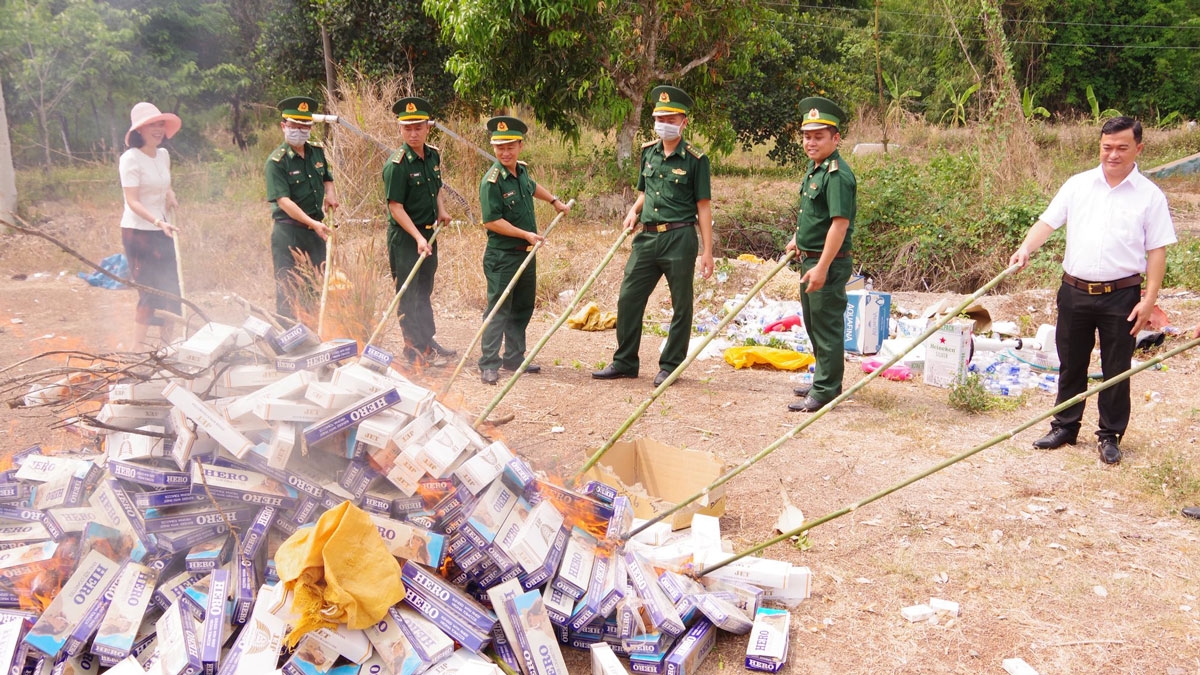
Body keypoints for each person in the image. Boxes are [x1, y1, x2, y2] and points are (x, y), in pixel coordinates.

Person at [1010, 116, 1175, 465]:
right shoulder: (1078, 185)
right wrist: (1026, 248)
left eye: (1121, 148)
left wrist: (1150, 300)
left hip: (1122, 295)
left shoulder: (1150, 196)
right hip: (1074, 291)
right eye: (1106, 147)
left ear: (1138, 149)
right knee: (1071, 361)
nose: (1113, 155)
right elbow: (1048, 221)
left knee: (1116, 366)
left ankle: (1109, 435)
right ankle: (1065, 425)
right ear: (1099, 146)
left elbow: (1157, 250)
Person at [592, 85, 714, 387]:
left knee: (681, 304)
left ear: (683, 122)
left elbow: (704, 208)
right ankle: (624, 362)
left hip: (680, 238)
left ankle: (670, 365)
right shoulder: (649, 152)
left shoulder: (696, 159)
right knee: (628, 298)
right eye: (659, 117)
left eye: (670, 118)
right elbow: (646, 191)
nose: (664, 123)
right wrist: (634, 210)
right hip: (646, 238)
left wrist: (707, 251)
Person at [477, 116, 570, 385]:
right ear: (493, 148)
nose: (504, 153)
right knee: (498, 309)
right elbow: (491, 221)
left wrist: (554, 201)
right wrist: (524, 233)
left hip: (526, 254)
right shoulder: (491, 181)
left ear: (520, 145)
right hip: (503, 256)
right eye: (499, 148)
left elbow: (531, 188)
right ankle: (489, 363)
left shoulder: (521, 171)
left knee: (522, 306)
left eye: (510, 147)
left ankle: (514, 357)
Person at [785, 97, 856, 413]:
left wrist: (823, 266)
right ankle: (822, 380)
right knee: (814, 324)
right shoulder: (816, 170)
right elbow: (815, 216)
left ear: (835, 138)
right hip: (809, 258)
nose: (810, 142)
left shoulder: (838, 174)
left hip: (828, 261)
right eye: (806, 136)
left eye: (819, 136)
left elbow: (839, 226)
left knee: (826, 326)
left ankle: (827, 389)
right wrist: (796, 240)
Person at [382, 96, 455, 367]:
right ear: (400, 129)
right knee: (408, 291)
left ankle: (427, 341)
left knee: (424, 289)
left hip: (428, 234)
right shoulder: (397, 164)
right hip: (406, 238)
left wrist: (441, 210)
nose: (413, 133)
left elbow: (435, 187)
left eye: (418, 127)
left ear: (427, 128)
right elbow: (396, 207)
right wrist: (417, 237)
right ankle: (413, 350)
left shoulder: (432, 155)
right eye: (407, 128)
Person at [265, 95, 339, 320]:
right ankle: (289, 341)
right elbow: (284, 201)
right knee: (288, 289)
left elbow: (327, 177)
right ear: (283, 126)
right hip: (289, 234)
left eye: (305, 125)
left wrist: (330, 196)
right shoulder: (276, 162)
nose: (300, 130)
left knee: (315, 287)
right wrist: (313, 223)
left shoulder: (316, 151)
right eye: (295, 125)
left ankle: (314, 336)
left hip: (314, 233)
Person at [119, 101, 182, 348]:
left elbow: (164, 184)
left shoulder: (163, 155)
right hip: (139, 233)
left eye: (159, 124)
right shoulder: (130, 159)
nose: (157, 129)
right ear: (139, 131)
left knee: (172, 289)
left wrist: (170, 195)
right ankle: (137, 352)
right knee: (149, 292)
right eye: (151, 125)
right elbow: (132, 201)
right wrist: (156, 220)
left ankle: (167, 348)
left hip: (164, 229)